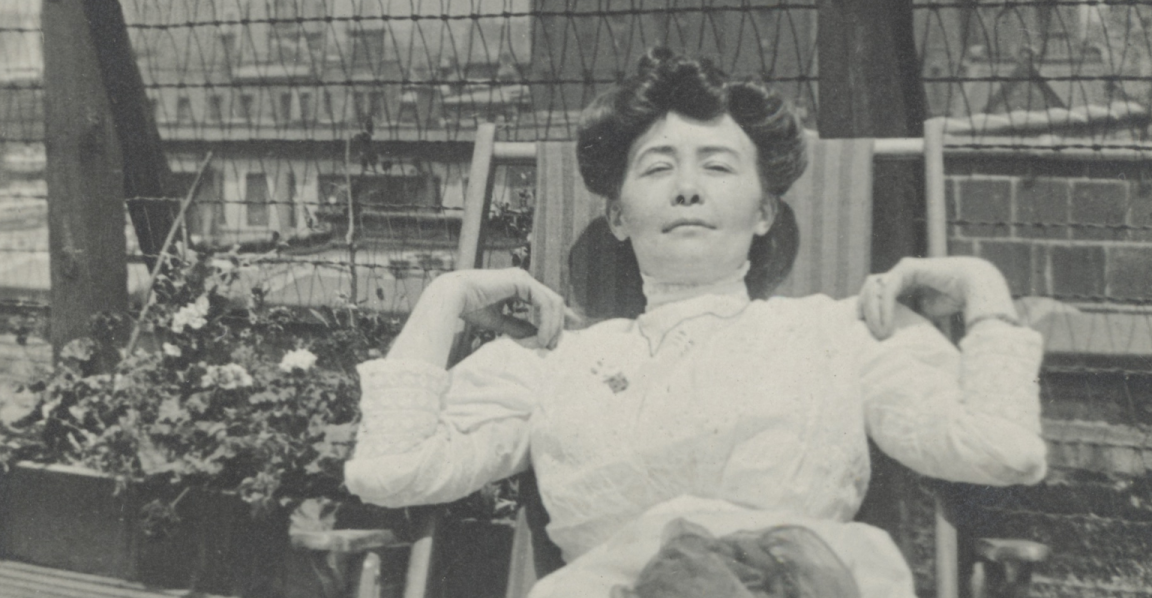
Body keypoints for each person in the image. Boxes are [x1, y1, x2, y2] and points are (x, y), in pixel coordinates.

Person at [344, 48, 1047, 598]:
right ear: (617, 215)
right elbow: (391, 470)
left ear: (765, 210)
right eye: (656, 169)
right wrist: (446, 297)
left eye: (716, 166)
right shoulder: (553, 360)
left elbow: (1001, 449)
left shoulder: (838, 334)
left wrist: (982, 289)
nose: (687, 187)